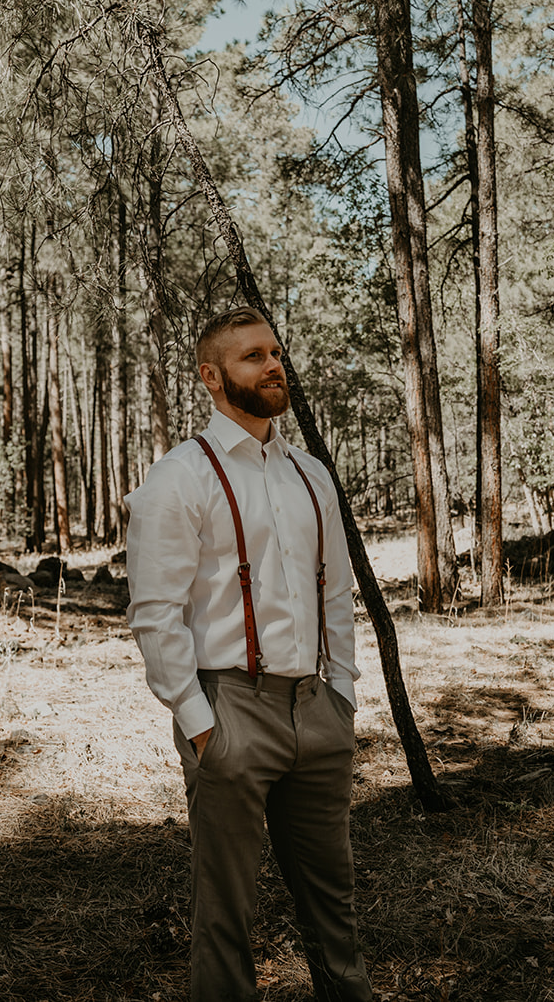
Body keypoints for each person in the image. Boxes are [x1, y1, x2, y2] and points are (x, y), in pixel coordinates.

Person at [126, 307, 372, 1001]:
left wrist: (343, 694)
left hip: (316, 710)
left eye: (274, 352)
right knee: (227, 913)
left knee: (335, 903)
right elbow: (155, 612)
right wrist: (202, 724)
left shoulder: (311, 475)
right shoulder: (180, 477)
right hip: (230, 706)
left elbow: (336, 594)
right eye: (251, 357)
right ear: (211, 377)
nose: (272, 366)